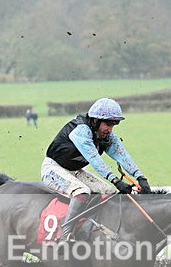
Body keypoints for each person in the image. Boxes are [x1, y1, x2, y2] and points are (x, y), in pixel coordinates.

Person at [41, 97, 151, 242]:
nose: (110, 129)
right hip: (53, 169)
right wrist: (116, 181)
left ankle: (88, 228)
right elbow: (95, 160)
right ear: (95, 120)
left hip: (74, 171)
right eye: (107, 124)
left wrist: (141, 178)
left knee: (109, 192)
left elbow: (123, 156)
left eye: (113, 125)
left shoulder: (106, 136)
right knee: (82, 192)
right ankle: (65, 234)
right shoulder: (81, 131)